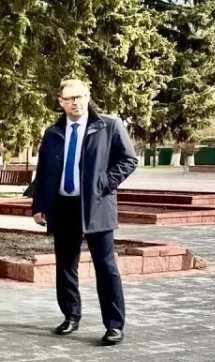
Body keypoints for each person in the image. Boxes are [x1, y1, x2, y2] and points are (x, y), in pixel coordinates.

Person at [32, 79, 137, 346]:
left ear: (88, 97)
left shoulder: (109, 126)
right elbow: (43, 171)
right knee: (66, 265)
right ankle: (71, 315)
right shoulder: (53, 132)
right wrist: (39, 205)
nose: (75, 102)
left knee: (105, 267)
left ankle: (114, 325)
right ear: (61, 102)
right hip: (62, 206)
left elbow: (128, 160)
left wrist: (104, 182)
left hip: (96, 205)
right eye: (69, 98)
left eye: (79, 97)